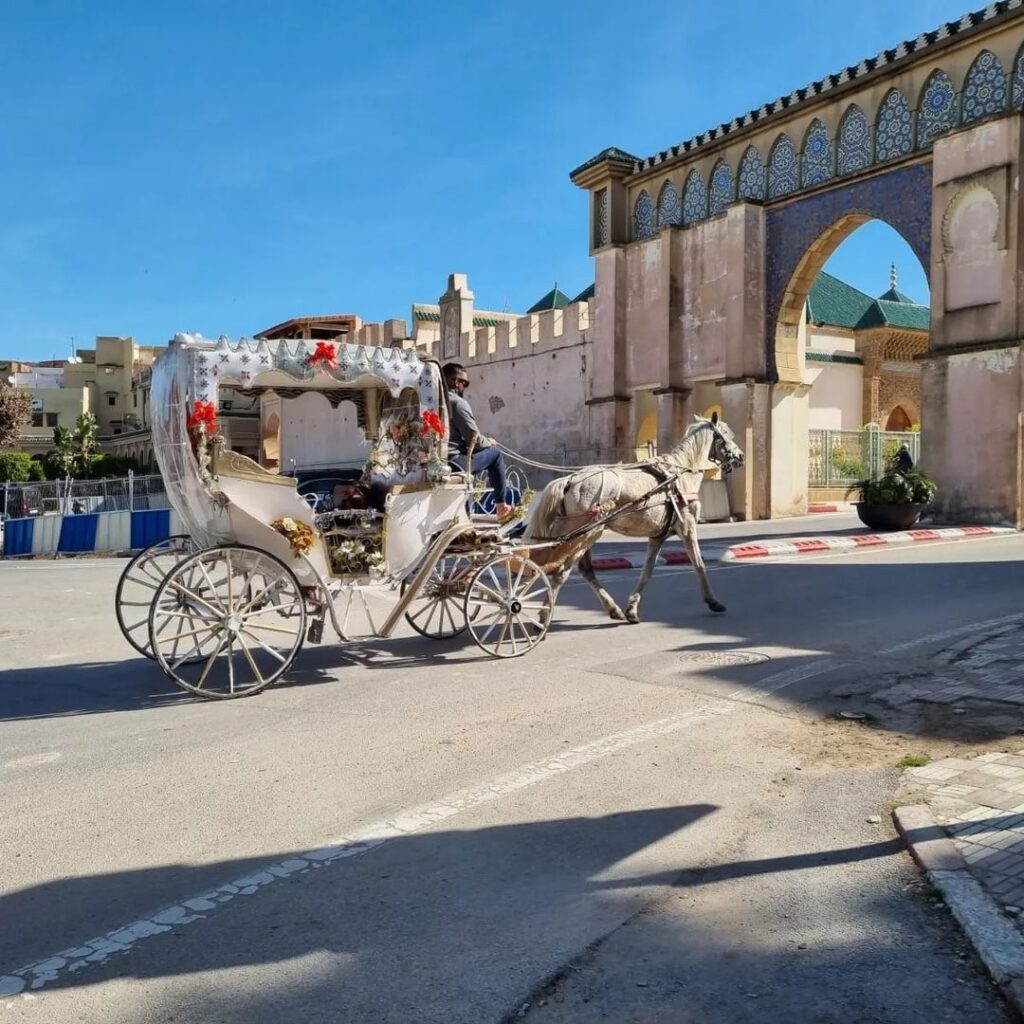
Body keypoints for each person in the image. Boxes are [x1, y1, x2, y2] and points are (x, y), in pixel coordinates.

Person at [443, 362, 517, 523]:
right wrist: (489, 442)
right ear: (456, 382)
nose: (465, 387)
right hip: (455, 462)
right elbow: (474, 439)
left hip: (436, 461)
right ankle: (501, 507)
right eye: (465, 383)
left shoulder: (433, 401)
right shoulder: (456, 403)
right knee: (496, 454)